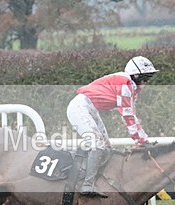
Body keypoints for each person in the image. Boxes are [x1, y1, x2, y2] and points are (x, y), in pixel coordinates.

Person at [66, 56, 159, 196]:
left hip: (89, 108)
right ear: (135, 75)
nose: (145, 83)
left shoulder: (130, 86)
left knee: (106, 148)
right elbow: (127, 116)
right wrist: (140, 141)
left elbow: (132, 117)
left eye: (148, 79)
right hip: (79, 107)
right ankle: (86, 184)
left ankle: (94, 178)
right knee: (97, 146)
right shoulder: (125, 83)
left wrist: (144, 139)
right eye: (144, 78)